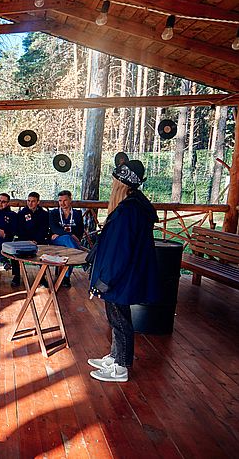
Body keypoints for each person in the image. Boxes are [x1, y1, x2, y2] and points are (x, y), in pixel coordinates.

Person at [88, 160, 158, 383]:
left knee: (120, 321)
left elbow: (119, 251)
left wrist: (104, 281)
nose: (112, 185)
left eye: (115, 181)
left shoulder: (128, 211)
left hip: (119, 277)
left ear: (122, 184)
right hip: (123, 274)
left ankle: (121, 367)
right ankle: (115, 356)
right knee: (116, 317)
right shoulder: (133, 206)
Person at [48, 190, 84, 288]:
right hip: (57, 240)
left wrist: (75, 237)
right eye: (60, 201)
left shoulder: (77, 213)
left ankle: (66, 277)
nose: (62, 203)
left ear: (70, 200)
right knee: (68, 239)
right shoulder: (54, 213)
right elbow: (54, 228)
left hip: (71, 242)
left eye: (65, 200)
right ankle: (82, 259)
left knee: (70, 250)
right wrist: (71, 235)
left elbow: (80, 230)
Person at [13, 191, 50, 287]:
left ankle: (42, 277)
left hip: (39, 240)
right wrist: (28, 240)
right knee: (14, 251)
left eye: (33, 201)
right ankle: (16, 276)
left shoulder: (44, 214)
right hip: (24, 239)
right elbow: (19, 229)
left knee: (44, 252)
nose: (30, 203)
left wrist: (36, 240)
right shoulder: (21, 213)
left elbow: (44, 229)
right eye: (28, 201)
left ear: (38, 202)